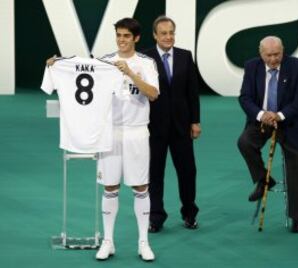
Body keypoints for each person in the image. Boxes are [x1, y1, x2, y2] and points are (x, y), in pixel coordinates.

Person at [47, 18, 159, 261]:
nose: (121, 40)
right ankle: (108, 241)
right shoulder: (103, 62)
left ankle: (143, 242)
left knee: (141, 187)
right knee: (110, 187)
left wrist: (130, 73)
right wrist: (55, 65)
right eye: (119, 35)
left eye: (126, 36)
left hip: (137, 132)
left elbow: (153, 94)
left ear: (136, 38)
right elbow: (78, 75)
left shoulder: (146, 63)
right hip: (109, 133)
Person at [237, 36, 298, 233]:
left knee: (297, 166)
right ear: (261, 53)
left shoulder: (297, 66)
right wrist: (261, 114)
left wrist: (279, 115)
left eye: (277, 54)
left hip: (292, 121)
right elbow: (245, 97)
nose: (273, 59)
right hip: (263, 120)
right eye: (269, 55)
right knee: (245, 142)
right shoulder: (252, 66)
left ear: (283, 51)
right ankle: (264, 179)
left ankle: (297, 217)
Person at [143, 15, 201, 233]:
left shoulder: (185, 56)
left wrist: (195, 121)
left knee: (188, 172)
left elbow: (192, 93)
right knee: (154, 173)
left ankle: (189, 213)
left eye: (171, 33)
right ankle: (156, 217)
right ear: (155, 35)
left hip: (181, 126)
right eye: (164, 33)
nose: (168, 37)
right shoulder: (145, 58)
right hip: (153, 127)